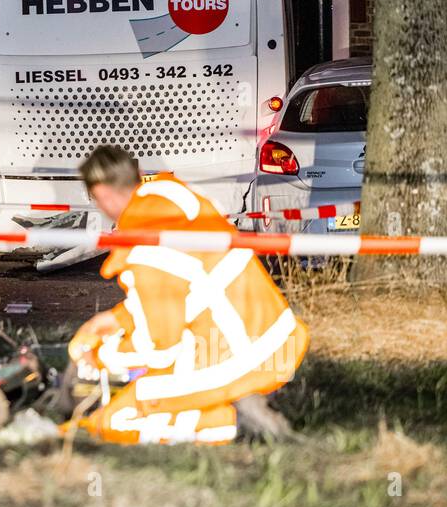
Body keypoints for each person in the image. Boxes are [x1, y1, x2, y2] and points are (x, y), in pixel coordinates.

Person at [67, 145, 309, 444]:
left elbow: (158, 348)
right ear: (139, 176)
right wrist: (118, 319)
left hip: (238, 355)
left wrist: (98, 358)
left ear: (102, 193)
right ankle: (239, 404)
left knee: (120, 416)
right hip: (275, 338)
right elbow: (185, 289)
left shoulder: (144, 247)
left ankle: (236, 423)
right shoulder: (174, 200)